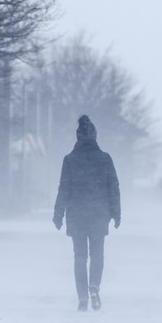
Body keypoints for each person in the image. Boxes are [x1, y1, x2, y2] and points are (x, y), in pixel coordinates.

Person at [52, 115, 121, 312]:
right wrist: (116, 213)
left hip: (77, 213)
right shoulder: (105, 159)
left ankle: (82, 295)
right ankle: (94, 287)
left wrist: (58, 214)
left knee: (80, 256)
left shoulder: (70, 160)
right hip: (99, 212)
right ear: (95, 136)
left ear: (78, 136)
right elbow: (113, 187)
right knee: (98, 254)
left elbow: (63, 188)